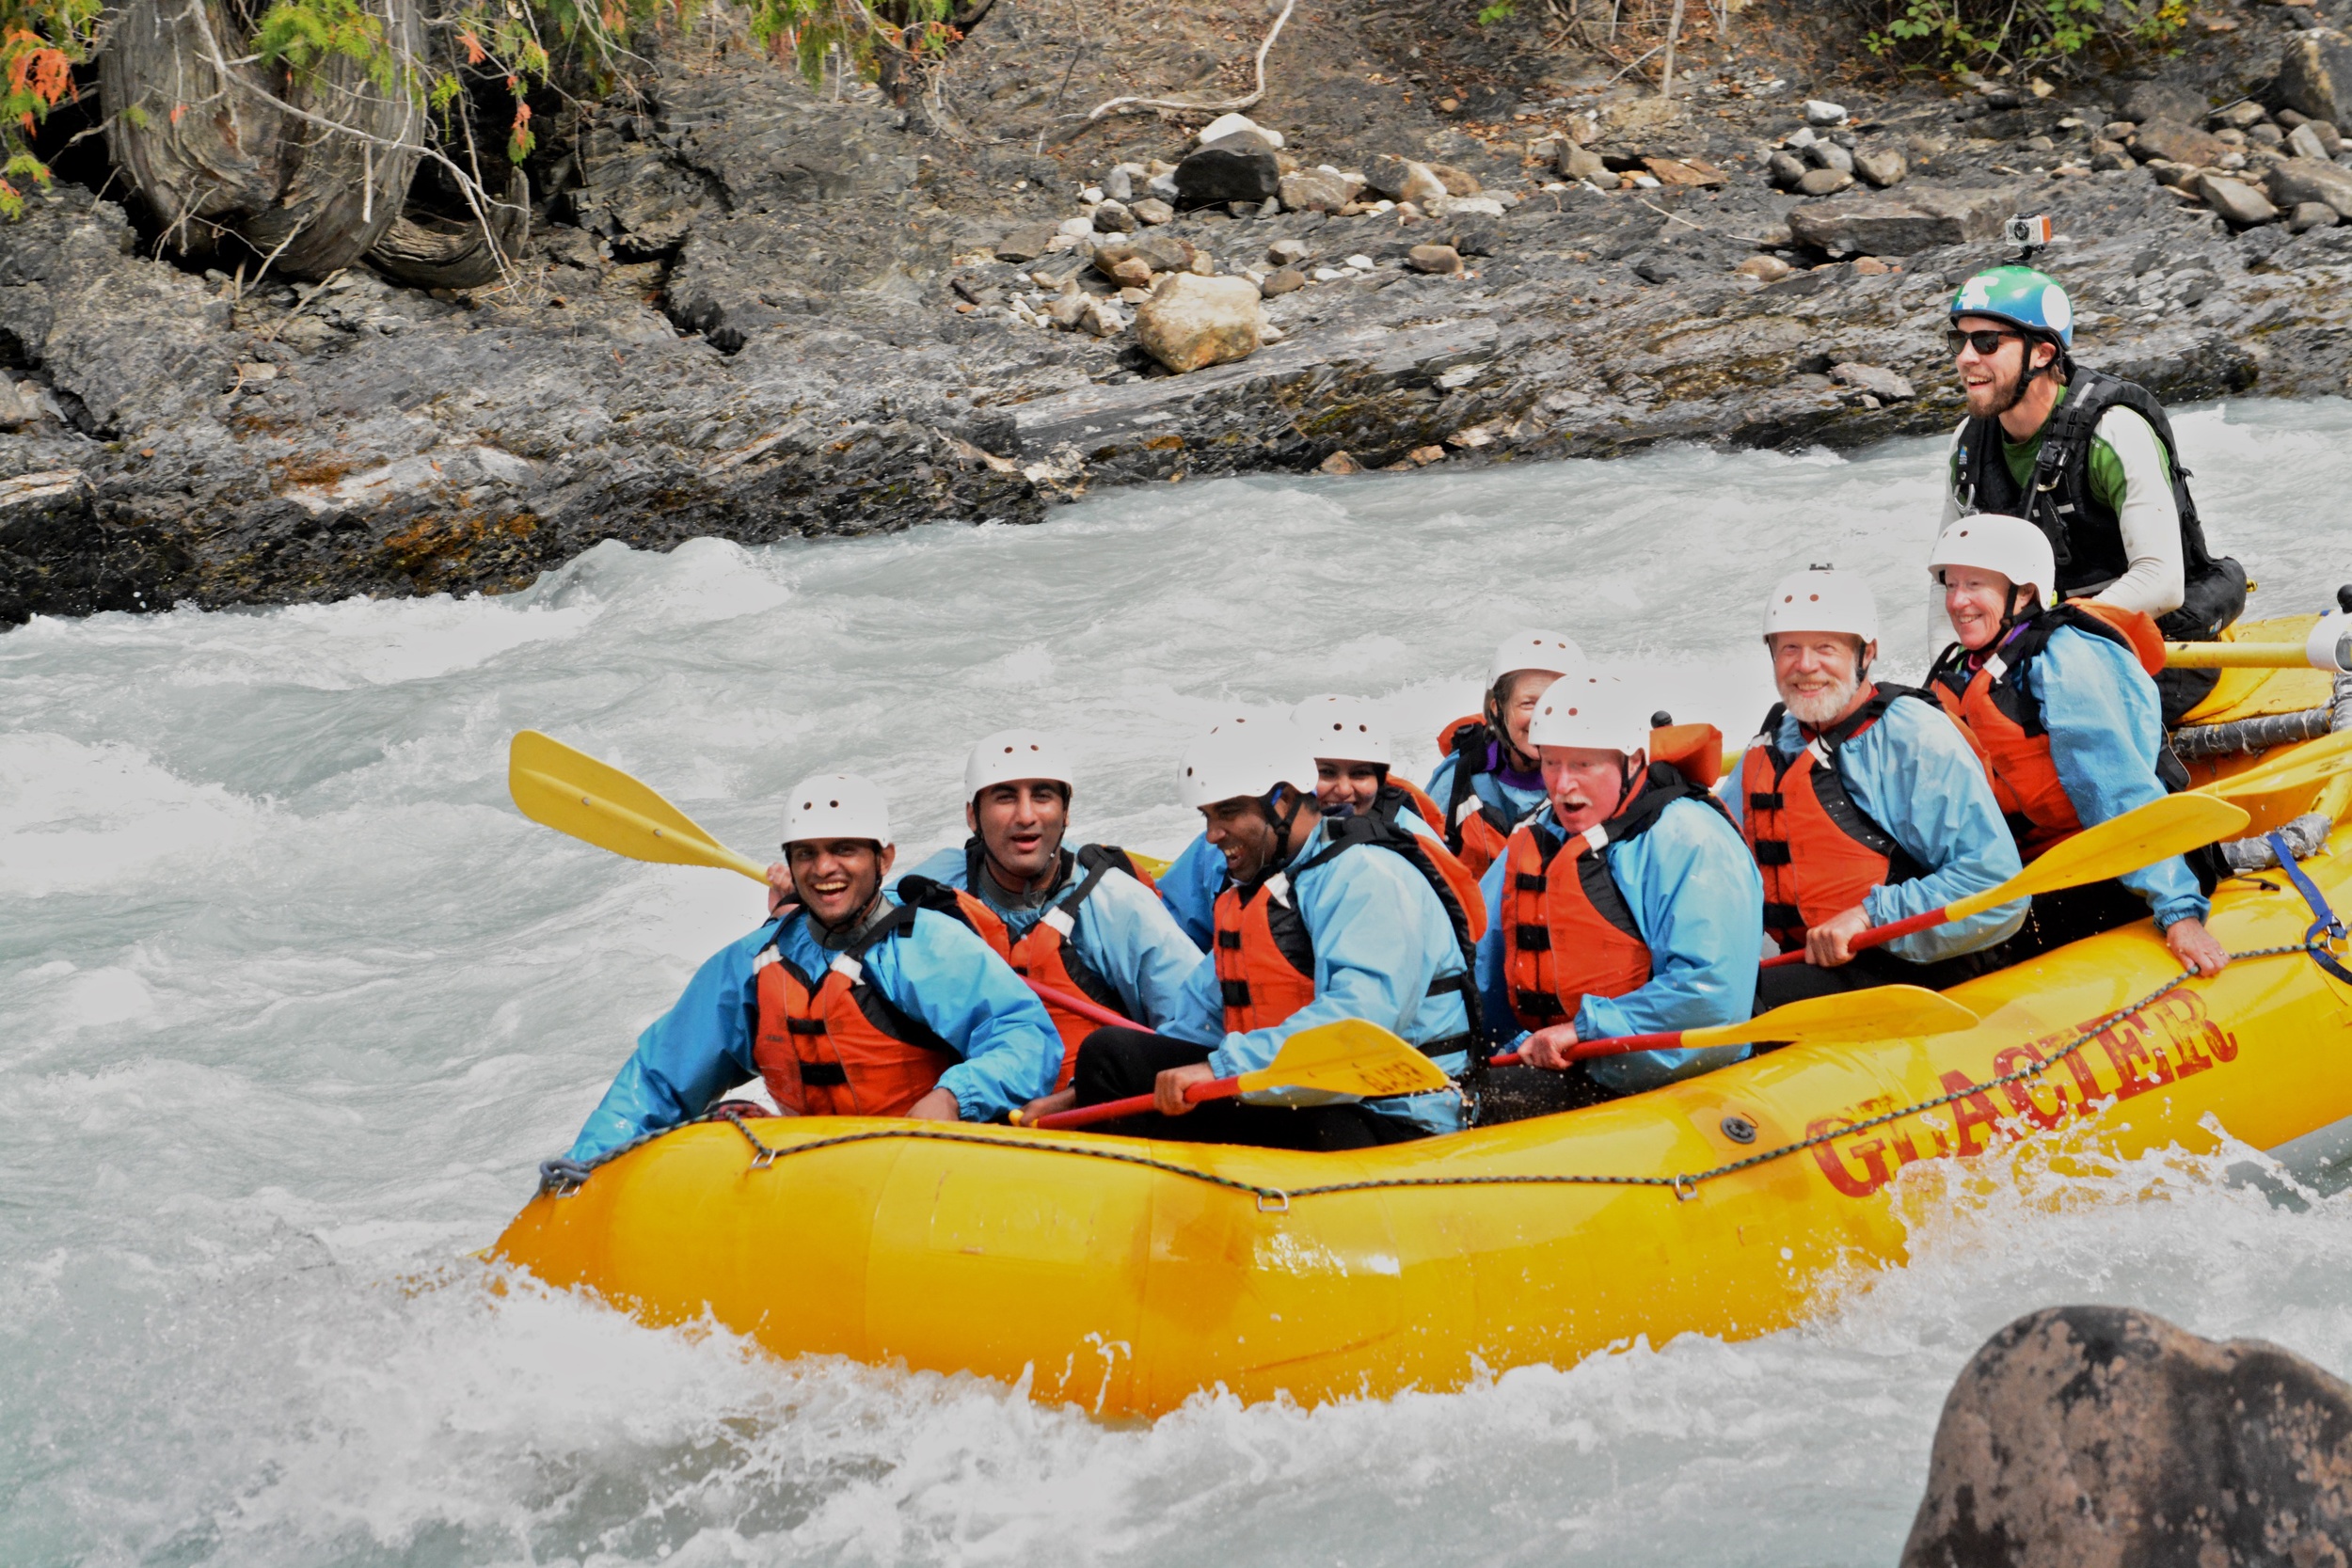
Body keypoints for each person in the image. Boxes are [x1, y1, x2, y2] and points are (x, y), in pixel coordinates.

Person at [560, 773, 1063, 1165]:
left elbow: (1025, 1038)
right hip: (811, 1169)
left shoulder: (927, 947)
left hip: (933, 1162)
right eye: (808, 854)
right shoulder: (754, 964)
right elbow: (660, 1078)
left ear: (883, 858)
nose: (824, 870)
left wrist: (955, 1096)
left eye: (844, 849)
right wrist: (591, 1162)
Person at [1068, 721, 1482, 1148]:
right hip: (1308, 1097)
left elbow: (1361, 1024)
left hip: (1395, 1119)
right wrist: (1080, 1096)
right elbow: (1198, 1024)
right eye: (1208, 816)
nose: (1211, 836)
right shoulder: (1262, 891)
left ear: (1282, 800)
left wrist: (1222, 1070)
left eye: (1228, 812)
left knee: (1113, 1056)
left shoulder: (1366, 876)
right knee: (1111, 1058)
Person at [1924, 515, 2229, 975]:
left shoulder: (2064, 658)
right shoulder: (1964, 670)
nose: (1957, 601)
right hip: (2030, 868)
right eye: (1951, 586)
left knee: (1974, 958)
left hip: (2116, 866)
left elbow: (2118, 790)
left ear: (2024, 592)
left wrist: (2178, 910)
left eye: (1975, 585)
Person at [1940, 264, 2245, 721]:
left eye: (1986, 342)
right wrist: (1944, 686)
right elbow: (1944, 580)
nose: (1966, 357)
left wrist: (2048, 635)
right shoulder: (1969, 442)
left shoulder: (2114, 432)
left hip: (2157, 645)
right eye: (1958, 341)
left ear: (2042, 353)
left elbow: (2161, 581)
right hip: (2038, 647)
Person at [1720, 565, 2028, 1012]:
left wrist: (1868, 916)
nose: (1806, 666)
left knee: (1740, 1006)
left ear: (1866, 654)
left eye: (1825, 648)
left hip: (1917, 964)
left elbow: (1997, 888)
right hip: (1812, 960)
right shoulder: (1772, 744)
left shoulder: (1912, 736)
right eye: (1789, 649)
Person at [1474, 670, 1762, 1114]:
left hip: (1667, 1069)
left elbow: (1712, 995)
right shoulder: (1541, 832)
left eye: (1584, 765)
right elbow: (1480, 954)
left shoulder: (1689, 837)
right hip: (1569, 1059)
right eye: (1552, 762)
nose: (1563, 785)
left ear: (1631, 762)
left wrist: (1583, 1030)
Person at [888, 729, 1200, 1098]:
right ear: (973, 816)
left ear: (1066, 811)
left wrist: (1078, 1095)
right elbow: (859, 919)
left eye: (1042, 796)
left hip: (1093, 1109)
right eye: (1005, 797)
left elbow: (1194, 1034)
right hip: (974, 1108)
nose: (1025, 816)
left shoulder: (1116, 902)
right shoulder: (935, 887)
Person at [1158, 697, 1456, 946]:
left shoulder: (1407, 845)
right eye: (1325, 772)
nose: (1343, 789)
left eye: (1360, 774)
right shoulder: (1235, 840)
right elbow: (1173, 927)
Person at [1428, 629, 1586, 878]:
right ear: (1498, 709)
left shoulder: (1602, 778)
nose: (1543, 715)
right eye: (1529, 703)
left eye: (1557, 700)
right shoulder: (1461, 775)